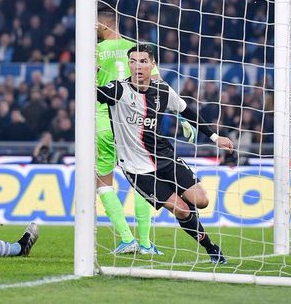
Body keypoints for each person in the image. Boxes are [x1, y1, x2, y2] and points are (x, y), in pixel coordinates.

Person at [97, 44, 235, 264]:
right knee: (181, 211)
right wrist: (90, 74)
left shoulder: (161, 89)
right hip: (137, 168)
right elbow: (93, 94)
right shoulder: (118, 89)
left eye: (143, 61)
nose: (138, 66)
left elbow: (186, 110)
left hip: (165, 157)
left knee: (201, 201)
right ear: (128, 64)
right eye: (133, 61)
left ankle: (191, 218)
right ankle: (211, 248)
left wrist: (215, 138)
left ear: (153, 65)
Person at [95, 7, 161, 254]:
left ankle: (126, 238)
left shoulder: (95, 50)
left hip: (103, 119)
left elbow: (88, 85)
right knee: (141, 178)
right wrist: (181, 116)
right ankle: (144, 243)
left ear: (104, 25)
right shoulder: (137, 49)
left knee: (102, 180)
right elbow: (158, 83)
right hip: (133, 121)